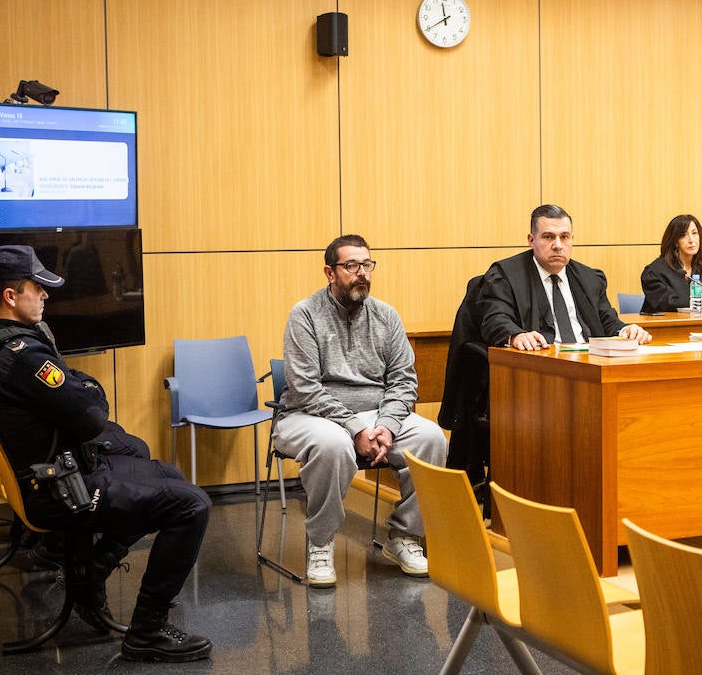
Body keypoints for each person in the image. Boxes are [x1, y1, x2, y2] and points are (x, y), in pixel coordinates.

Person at [0, 245, 212, 663]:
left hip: (42, 478)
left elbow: (74, 396)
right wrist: (87, 389)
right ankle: (147, 630)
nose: (45, 296)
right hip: (56, 491)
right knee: (192, 505)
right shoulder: (21, 356)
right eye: (37, 288)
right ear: (10, 295)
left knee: (165, 473)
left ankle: (91, 572)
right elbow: (91, 413)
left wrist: (78, 390)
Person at [274, 235, 448, 586]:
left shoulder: (386, 316)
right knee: (333, 445)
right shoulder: (305, 315)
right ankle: (320, 543)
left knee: (431, 439)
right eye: (351, 266)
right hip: (307, 416)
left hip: (374, 414)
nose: (362, 273)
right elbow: (306, 388)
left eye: (367, 265)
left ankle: (405, 536)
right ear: (330, 272)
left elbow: (403, 381)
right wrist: (355, 428)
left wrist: (386, 425)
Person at [480, 204, 653, 350]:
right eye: (548, 237)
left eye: (564, 237)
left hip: (589, 362)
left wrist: (626, 330)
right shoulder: (506, 275)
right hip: (541, 361)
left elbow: (607, 321)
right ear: (531, 240)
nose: (558, 245)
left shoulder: (590, 278)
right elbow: (495, 319)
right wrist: (516, 335)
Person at [639, 214, 702, 313]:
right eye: (684, 235)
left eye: (694, 233)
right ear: (675, 241)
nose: (691, 240)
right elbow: (666, 303)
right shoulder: (655, 272)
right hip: (663, 328)